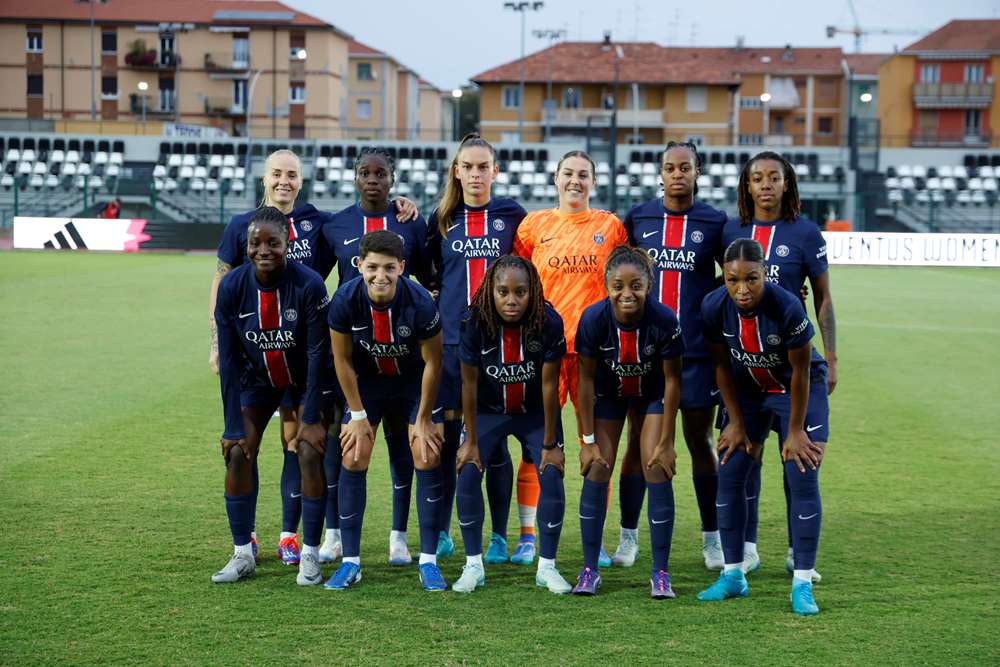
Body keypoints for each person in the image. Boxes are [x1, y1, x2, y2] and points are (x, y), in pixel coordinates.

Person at [208, 148, 418, 566]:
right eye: (276, 174)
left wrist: (400, 205)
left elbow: (360, 236)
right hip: (257, 354)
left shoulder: (319, 223)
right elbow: (222, 280)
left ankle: (293, 537)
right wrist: (217, 340)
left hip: (307, 356)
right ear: (264, 178)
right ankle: (246, 542)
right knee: (250, 445)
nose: (284, 181)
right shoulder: (239, 227)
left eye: (291, 174)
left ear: (300, 181)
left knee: (299, 442)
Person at [697, 238, 827, 615]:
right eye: (733, 279)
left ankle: (802, 582)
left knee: (801, 471)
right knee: (731, 470)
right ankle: (733, 575)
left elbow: (801, 370)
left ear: (765, 273)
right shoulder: (713, 305)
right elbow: (721, 366)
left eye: (751, 279)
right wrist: (735, 422)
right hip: (748, 390)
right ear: (724, 276)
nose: (742, 289)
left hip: (797, 389)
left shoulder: (786, 305)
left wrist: (796, 429)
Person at [723, 151, 837, 580]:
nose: (766, 184)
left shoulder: (805, 233)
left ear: (787, 183)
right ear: (747, 186)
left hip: (794, 365)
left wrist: (834, 357)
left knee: (798, 458)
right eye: (757, 178)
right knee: (743, 458)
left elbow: (823, 299)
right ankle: (747, 549)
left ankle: (796, 549)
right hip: (745, 368)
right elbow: (723, 290)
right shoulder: (730, 230)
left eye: (774, 177)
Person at [513, 150, 628, 566]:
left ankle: (593, 539)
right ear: (555, 179)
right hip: (543, 349)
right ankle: (528, 535)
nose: (575, 181)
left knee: (595, 446)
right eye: (568, 174)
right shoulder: (532, 226)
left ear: (593, 182)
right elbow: (516, 280)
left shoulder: (610, 226)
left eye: (583, 175)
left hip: (592, 353)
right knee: (537, 440)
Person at [319, 146, 433, 566]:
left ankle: (398, 538)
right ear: (354, 177)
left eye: (380, 173)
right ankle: (335, 534)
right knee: (344, 445)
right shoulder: (336, 225)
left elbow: (426, 275)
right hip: (355, 358)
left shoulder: (410, 221)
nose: (372, 179)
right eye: (365, 172)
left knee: (402, 450)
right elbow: (315, 279)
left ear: (392, 178)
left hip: (402, 356)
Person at [211, 206, 333, 586]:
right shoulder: (232, 287)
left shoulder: (310, 285)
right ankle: (242, 553)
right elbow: (229, 362)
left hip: (303, 382)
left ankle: (309, 555)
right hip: (256, 381)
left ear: (288, 243)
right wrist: (232, 423)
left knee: (310, 450)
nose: (263, 250)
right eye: (255, 243)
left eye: (272, 243)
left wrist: (311, 418)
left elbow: (318, 355)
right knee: (237, 449)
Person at [621, 141, 727, 570]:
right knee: (637, 445)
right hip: (644, 356)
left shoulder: (714, 222)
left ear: (698, 171)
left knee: (699, 442)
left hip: (696, 355)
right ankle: (628, 538)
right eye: (669, 167)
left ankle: (713, 539)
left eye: (685, 167)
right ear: (660, 173)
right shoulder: (639, 218)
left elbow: (731, 276)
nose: (677, 174)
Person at [325, 230, 446, 590]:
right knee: (354, 454)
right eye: (373, 267)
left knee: (425, 453)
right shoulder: (345, 299)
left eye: (390, 268)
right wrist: (358, 416)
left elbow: (433, 363)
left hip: (412, 384)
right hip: (369, 385)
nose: (381, 276)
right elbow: (342, 359)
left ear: (402, 268)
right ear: (359, 265)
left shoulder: (421, 302)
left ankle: (428, 561)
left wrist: (423, 418)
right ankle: (351, 562)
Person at [427, 133, 526, 564]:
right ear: (457, 170)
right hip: (450, 348)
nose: (475, 174)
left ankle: (500, 537)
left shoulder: (513, 217)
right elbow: (425, 271)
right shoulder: (441, 220)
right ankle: (446, 532)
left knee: (496, 442)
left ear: (495, 172)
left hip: (500, 350)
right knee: (451, 442)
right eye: (467, 166)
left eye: (483, 167)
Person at [453, 255, 573, 594]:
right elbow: (469, 385)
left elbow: (550, 386)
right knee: (469, 469)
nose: (511, 300)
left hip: (534, 411)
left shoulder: (548, 322)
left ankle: (547, 567)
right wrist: (471, 440)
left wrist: (550, 445)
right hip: (489, 410)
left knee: (551, 473)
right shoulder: (474, 322)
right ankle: (472, 566)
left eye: (520, 292)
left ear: (532, 291)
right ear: (490, 291)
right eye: (503, 291)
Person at [571, 246, 685, 596]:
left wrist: (666, 443)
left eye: (635, 285)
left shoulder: (665, 320)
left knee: (655, 466)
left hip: (651, 396)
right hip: (609, 395)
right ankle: (589, 569)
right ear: (606, 285)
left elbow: (672, 381)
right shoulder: (593, 319)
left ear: (649, 284)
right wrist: (587, 441)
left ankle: (660, 573)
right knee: (597, 467)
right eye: (618, 285)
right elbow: (586, 381)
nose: (626, 294)